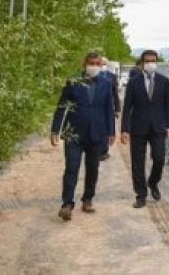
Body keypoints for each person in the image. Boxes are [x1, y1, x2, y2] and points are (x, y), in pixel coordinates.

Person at [50, 51, 116, 221]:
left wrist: (111, 132)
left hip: (97, 134)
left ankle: (88, 199)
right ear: (84, 64)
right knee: (72, 167)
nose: (93, 66)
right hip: (74, 133)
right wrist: (55, 130)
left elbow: (109, 109)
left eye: (97, 63)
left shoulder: (106, 83)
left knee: (93, 169)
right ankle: (67, 204)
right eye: (91, 63)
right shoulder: (73, 81)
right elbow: (62, 106)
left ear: (101, 65)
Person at [120, 49, 169, 209]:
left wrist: (168, 125)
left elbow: (168, 105)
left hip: (158, 127)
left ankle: (153, 182)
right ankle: (140, 195)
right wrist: (124, 129)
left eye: (153, 60)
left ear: (156, 62)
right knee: (137, 162)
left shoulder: (164, 81)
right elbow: (127, 107)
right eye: (147, 60)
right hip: (138, 127)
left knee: (159, 158)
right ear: (142, 62)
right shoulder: (134, 82)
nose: (150, 63)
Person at [99, 55, 120, 162]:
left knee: (108, 129)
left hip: (109, 107)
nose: (102, 66)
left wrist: (117, 109)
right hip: (97, 107)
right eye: (100, 64)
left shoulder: (112, 77)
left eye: (104, 64)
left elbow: (115, 94)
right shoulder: (93, 75)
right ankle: (99, 150)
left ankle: (104, 151)